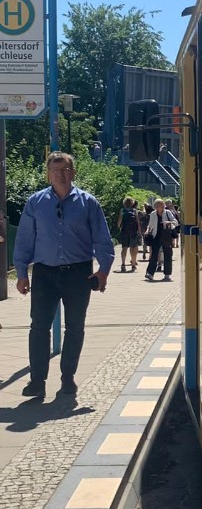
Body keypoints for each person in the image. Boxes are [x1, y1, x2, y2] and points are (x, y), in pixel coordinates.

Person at [14, 152, 115, 400]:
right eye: (55, 170)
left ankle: (68, 378)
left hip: (78, 273)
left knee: (75, 327)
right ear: (48, 173)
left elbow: (102, 238)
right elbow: (25, 239)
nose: (60, 174)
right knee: (38, 327)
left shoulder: (88, 202)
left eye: (65, 169)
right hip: (44, 274)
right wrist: (21, 273)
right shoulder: (36, 203)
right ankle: (37, 381)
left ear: (73, 172)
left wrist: (103, 270)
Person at [145, 198, 176, 282]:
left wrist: (169, 223)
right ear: (156, 206)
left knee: (167, 255)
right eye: (159, 205)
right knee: (154, 255)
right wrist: (148, 231)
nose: (161, 206)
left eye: (162, 205)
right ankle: (150, 273)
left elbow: (175, 222)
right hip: (156, 236)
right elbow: (150, 225)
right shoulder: (153, 214)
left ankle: (167, 274)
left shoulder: (168, 213)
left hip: (166, 235)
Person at [117, 196, 142, 272]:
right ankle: (133, 265)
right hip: (133, 232)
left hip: (124, 232)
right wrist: (139, 232)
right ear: (132, 203)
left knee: (124, 248)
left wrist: (119, 228)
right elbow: (138, 222)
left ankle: (123, 264)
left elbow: (119, 222)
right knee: (133, 248)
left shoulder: (122, 210)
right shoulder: (134, 211)